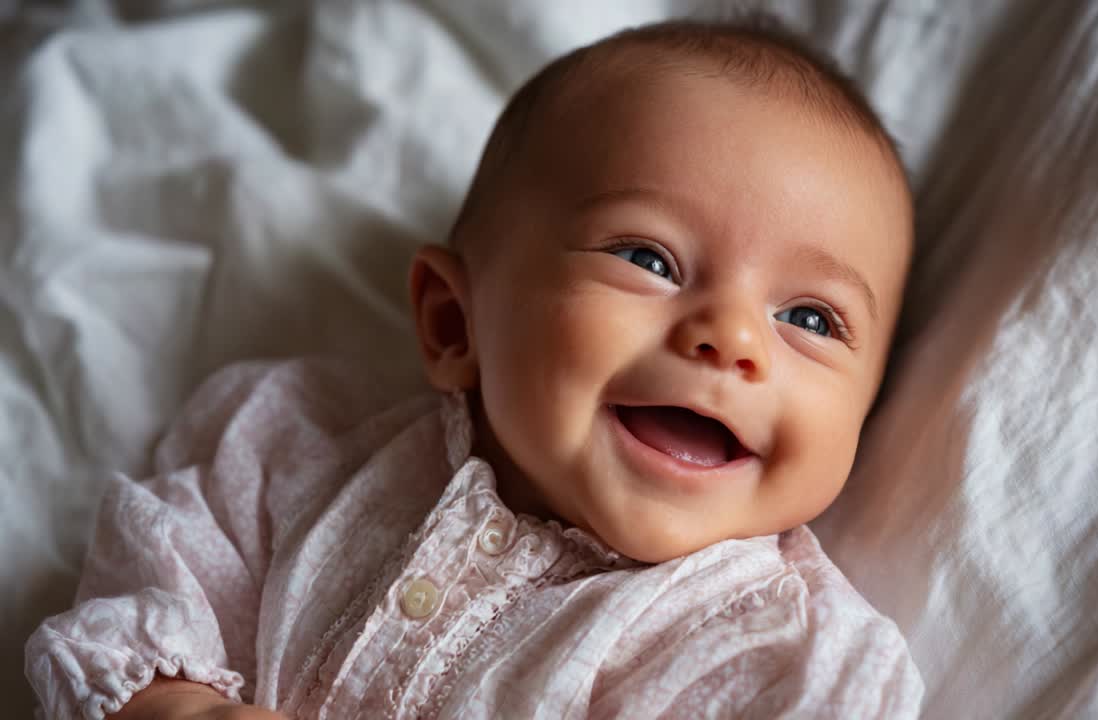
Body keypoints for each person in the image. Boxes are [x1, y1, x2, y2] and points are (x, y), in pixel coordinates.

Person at [27, 16, 920, 719]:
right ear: (455, 322)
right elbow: (159, 560)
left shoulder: (790, 663)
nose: (731, 339)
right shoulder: (300, 444)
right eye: (649, 259)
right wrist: (171, 702)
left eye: (810, 318)